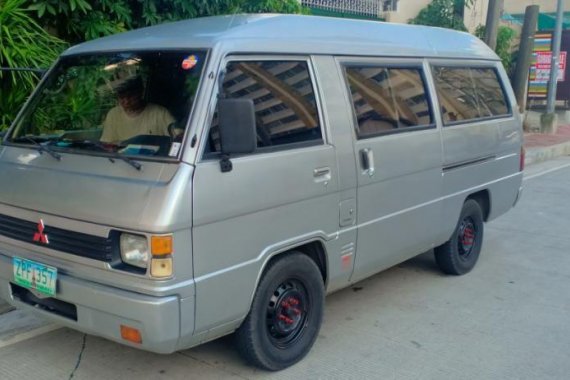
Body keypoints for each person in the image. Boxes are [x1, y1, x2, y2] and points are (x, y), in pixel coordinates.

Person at [100, 76, 175, 144]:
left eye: (130, 96)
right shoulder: (113, 114)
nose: (126, 101)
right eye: (122, 97)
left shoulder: (160, 113)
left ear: (140, 92)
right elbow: (107, 144)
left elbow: (176, 139)